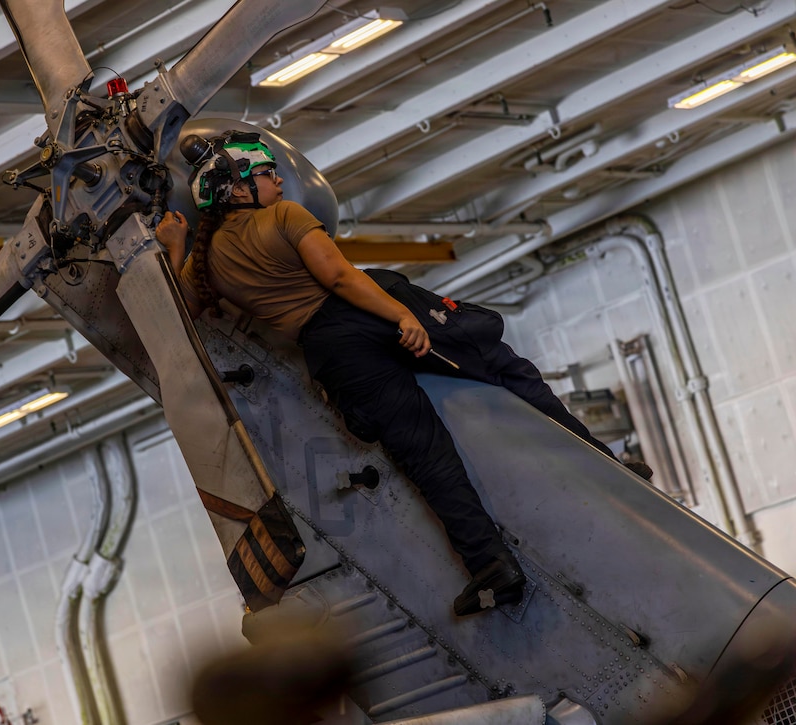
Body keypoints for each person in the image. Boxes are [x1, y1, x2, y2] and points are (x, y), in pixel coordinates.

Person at [154, 130, 618, 616]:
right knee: (505, 368)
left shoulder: (206, 262)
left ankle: (491, 566)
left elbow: (182, 311)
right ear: (238, 188)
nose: (279, 182)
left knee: (424, 455)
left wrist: (176, 246)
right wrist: (401, 315)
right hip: (367, 311)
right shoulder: (284, 216)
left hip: (334, 354)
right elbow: (339, 277)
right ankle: (604, 464)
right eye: (268, 174)